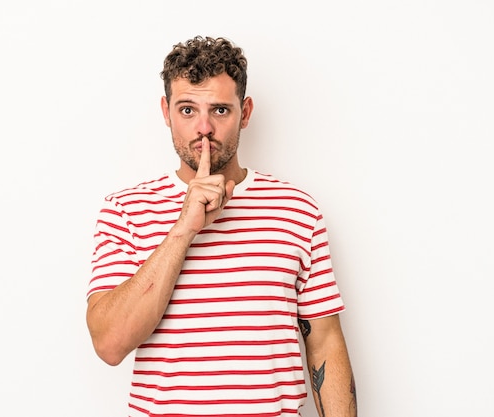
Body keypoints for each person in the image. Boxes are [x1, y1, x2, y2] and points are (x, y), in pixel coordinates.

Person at [86, 35, 357, 417]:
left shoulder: (298, 210)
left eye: (219, 110)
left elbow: (325, 341)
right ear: (165, 111)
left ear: (244, 113)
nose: (204, 128)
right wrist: (183, 229)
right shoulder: (126, 210)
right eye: (186, 110)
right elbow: (109, 344)